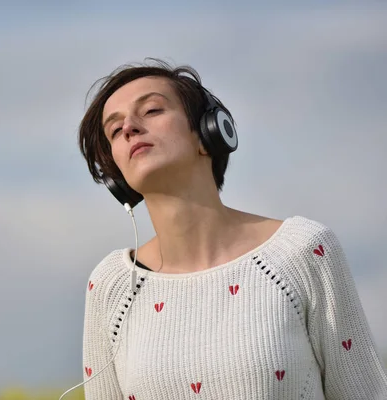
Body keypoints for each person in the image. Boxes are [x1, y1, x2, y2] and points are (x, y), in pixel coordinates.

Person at [76, 59, 387, 399]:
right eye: (114, 130)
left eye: (151, 110)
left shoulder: (303, 251)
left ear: (210, 131)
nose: (130, 128)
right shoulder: (112, 285)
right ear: (116, 174)